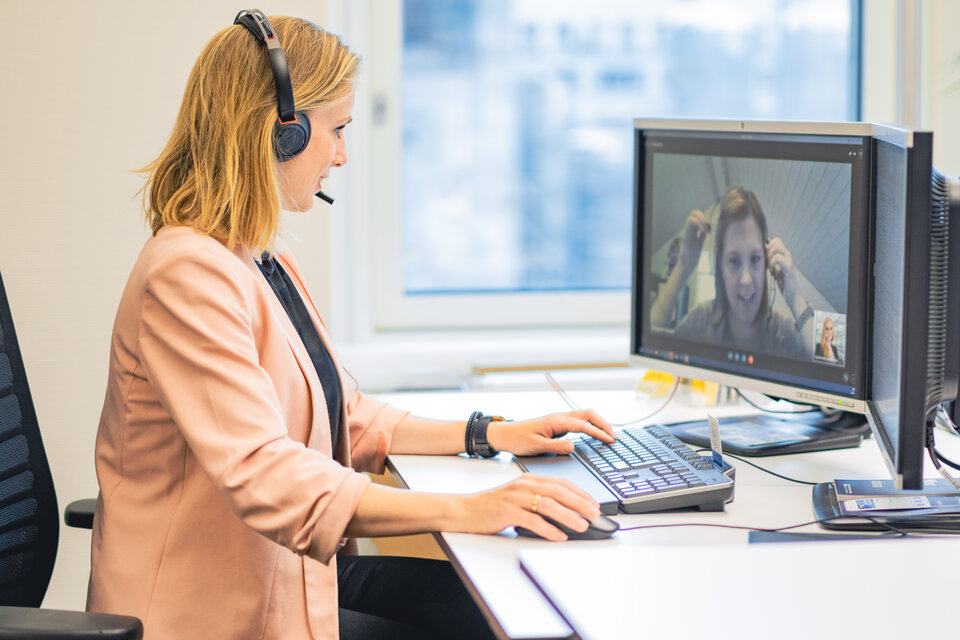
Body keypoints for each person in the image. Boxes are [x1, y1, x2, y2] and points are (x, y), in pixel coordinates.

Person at [87, 13, 615, 640]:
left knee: (493, 605)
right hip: (207, 614)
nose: (340, 155)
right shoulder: (186, 276)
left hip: (282, 576)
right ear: (281, 131)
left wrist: (490, 433)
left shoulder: (255, 259)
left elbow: (344, 414)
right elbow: (267, 474)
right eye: (336, 130)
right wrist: (471, 509)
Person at [650, 186, 813, 360]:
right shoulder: (701, 321)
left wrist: (796, 300)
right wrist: (683, 268)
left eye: (755, 259)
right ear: (720, 266)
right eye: (734, 261)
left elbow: (834, 371)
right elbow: (648, 344)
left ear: (767, 261)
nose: (746, 280)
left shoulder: (784, 332)